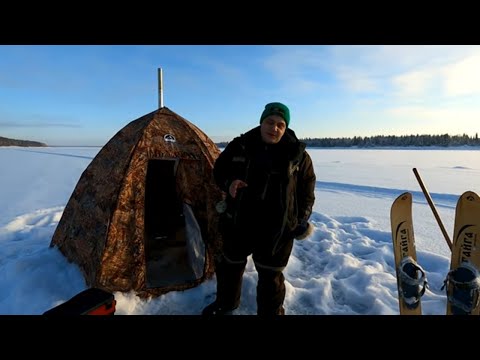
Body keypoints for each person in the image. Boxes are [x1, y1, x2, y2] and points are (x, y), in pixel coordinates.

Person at [203, 102, 316, 316]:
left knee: (271, 276)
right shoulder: (240, 145)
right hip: (239, 220)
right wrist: (229, 182)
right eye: (270, 122)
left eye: (280, 125)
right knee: (230, 266)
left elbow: (307, 192)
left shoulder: (298, 156)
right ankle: (226, 304)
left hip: (277, 228)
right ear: (261, 122)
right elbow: (219, 171)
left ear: (285, 128)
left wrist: (300, 219)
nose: (274, 129)